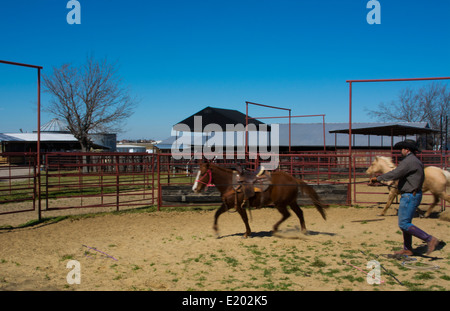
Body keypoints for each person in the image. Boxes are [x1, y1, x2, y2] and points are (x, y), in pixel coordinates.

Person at [370, 139, 439, 256]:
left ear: (406, 149)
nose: (400, 151)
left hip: (409, 195)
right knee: (406, 223)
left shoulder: (409, 162)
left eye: (402, 149)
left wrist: (378, 178)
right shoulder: (414, 161)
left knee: (404, 224)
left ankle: (429, 239)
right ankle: (408, 248)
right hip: (411, 194)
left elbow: (395, 173)